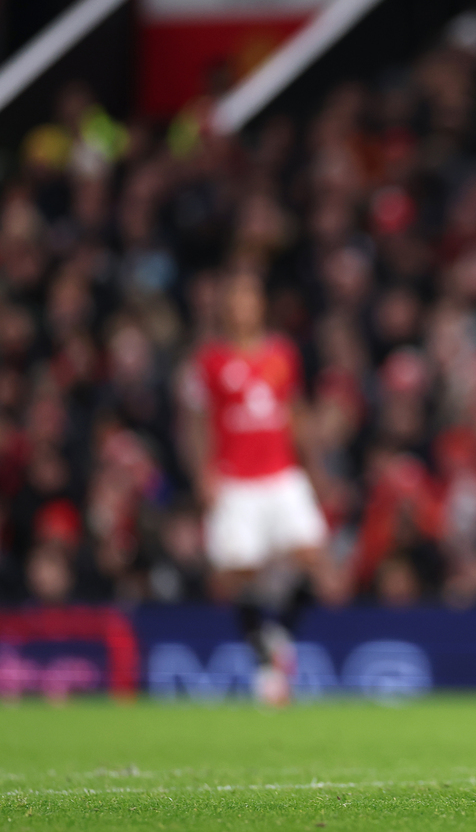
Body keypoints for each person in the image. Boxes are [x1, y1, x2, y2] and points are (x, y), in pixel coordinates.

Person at [179, 268, 330, 706]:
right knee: (236, 574)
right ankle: (266, 659)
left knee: (315, 558)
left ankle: (275, 635)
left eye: (250, 297)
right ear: (226, 307)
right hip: (235, 481)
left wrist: (316, 471)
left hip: (281, 474)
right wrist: (202, 473)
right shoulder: (208, 361)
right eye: (236, 298)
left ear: (260, 305)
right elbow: (196, 423)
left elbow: (296, 413)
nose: (243, 306)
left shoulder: (282, 353)